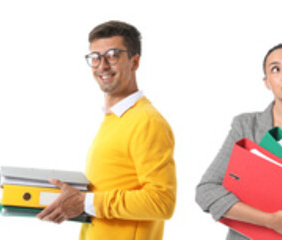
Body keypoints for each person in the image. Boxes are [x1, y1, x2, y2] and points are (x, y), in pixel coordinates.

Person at [35, 20, 176, 240]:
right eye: (95, 57)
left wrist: (85, 201)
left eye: (112, 55)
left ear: (134, 61)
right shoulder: (115, 120)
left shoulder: (147, 121)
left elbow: (161, 201)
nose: (102, 65)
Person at [194, 43, 282, 239]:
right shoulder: (245, 125)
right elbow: (206, 191)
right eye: (275, 69)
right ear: (267, 82)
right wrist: (271, 221)